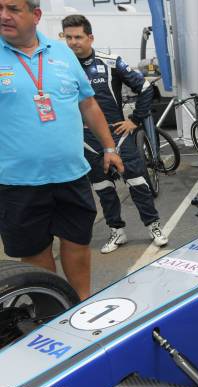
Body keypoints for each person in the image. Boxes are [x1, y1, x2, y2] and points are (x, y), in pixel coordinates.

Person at [0, 0, 124, 300]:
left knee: (77, 241)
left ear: (36, 15)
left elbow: (88, 103)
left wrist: (109, 147)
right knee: (34, 250)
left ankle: (81, 303)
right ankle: (52, 308)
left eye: (13, 8)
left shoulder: (63, 53)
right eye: (0, 8)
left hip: (70, 174)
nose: (4, 15)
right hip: (18, 182)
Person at [62, 14, 168, 254]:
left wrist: (134, 120)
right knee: (103, 188)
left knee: (137, 181)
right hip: (86, 139)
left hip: (118, 135)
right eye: (68, 37)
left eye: (78, 37)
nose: (73, 42)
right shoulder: (61, 66)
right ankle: (117, 231)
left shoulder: (111, 62)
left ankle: (153, 226)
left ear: (90, 37)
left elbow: (145, 88)